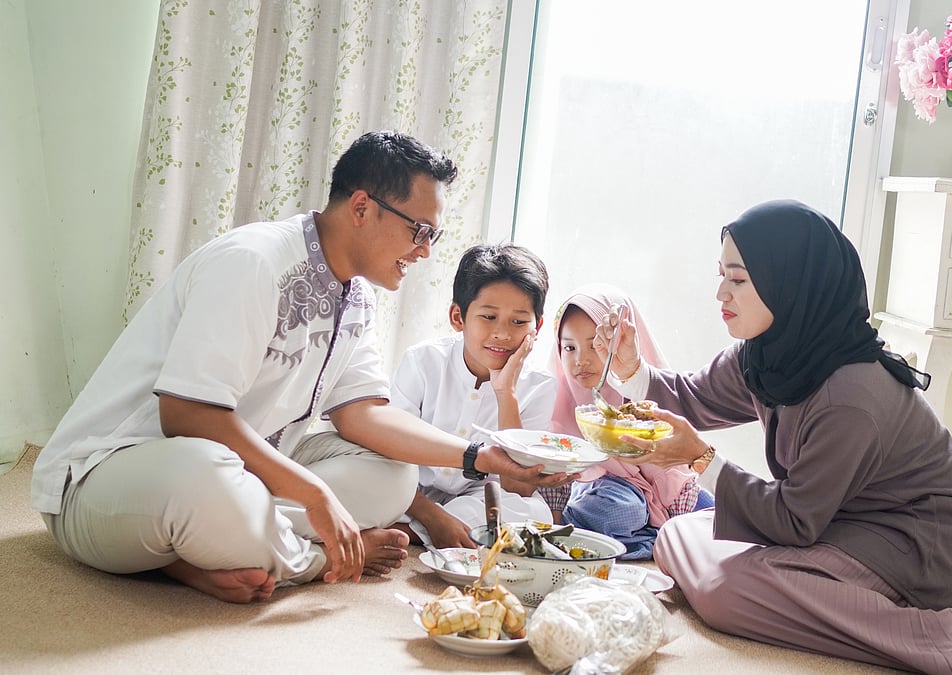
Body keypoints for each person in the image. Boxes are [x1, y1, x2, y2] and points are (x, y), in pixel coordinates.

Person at [29, 131, 572, 604]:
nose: (426, 251)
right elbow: (187, 416)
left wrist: (480, 457)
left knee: (395, 476)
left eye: (433, 235)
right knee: (203, 475)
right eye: (419, 231)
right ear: (362, 207)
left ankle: (213, 546)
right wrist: (315, 495)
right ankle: (312, 558)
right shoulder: (253, 261)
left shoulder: (358, 296)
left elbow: (363, 416)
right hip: (107, 477)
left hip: (240, 471)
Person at [596, 200, 952, 673]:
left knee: (725, 589)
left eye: (739, 280)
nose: (721, 294)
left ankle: (948, 639)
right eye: (721, 276)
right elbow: (690, 397)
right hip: (837, 521)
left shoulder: (850, 394)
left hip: (916, 544)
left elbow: (793, 521)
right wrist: (631, 366)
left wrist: (702, 459)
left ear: (789, 284)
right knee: (675, 535)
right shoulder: (770, 353)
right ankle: (809, 592)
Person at [389, 242, 558, 548]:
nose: (503, 334)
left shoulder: (540, 385)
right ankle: (430, 529)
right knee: (364, 476)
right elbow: (390, 453)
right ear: (458, 317)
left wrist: (506, 393)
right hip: (407, 490)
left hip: (478, 499)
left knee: (532, 512)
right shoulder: (423, 361)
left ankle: (406, 533)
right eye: (488, 317)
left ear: (538, 327)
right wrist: (432, 517)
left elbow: (517, 487)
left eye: (519, 322)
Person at [542, 283, 712, 559]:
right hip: (598, 490)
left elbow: (671, 471)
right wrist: (556, 519)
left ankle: (651, 534)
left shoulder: (645, 396)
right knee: (625, 509)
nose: (581, 360)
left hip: (656, 490)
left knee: (719, 515)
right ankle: (648, 536)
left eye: (595, 346)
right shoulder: (557, 404)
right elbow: (554, 476)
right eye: (569, 347)